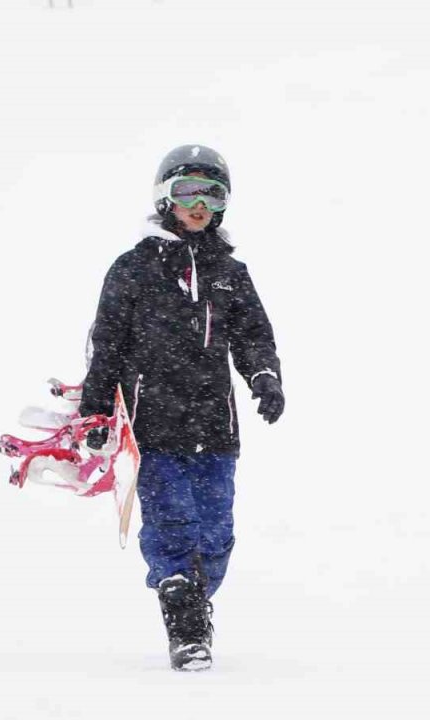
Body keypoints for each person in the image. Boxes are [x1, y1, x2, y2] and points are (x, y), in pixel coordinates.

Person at [77, 144, 284, 671]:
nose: (199, 205)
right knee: (172, 524)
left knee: (216, 533)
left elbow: (253, 335)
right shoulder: (133, 268)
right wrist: (96, 412)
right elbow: (107, 344)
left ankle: (196, 599)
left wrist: (264, 376)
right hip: (153, 427)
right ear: (164, 197)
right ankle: (184, 621)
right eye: (188, 191)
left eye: (212, 194)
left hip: (215, 426)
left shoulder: (229, 272)